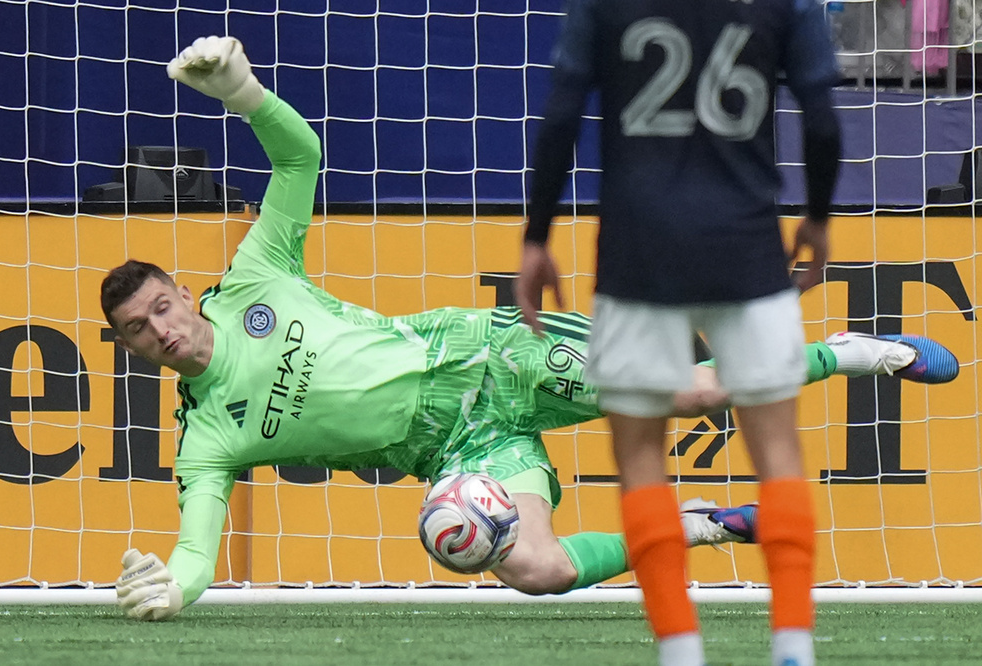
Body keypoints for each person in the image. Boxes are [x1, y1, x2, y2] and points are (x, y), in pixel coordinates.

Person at [109, 35, 958, 625]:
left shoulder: (255, 274)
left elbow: (300, 159)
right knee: (537, 572)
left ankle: (856, 352)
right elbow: (196, 553)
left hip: (489, 357)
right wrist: (173, 591)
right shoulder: (207, 440)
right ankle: (697, 523)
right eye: (141, 333)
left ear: (183, 293)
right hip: (455, 455)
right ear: (136, 352)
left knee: (695, 391)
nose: (161, 331)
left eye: (161, 307)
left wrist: (243, 95)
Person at [515, 2, 873, 665]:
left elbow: (562, 116)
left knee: (643, 461)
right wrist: (818, 221)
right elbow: (823, 121)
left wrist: (537, 237)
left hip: (636, 257)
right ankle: (793, 645)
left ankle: (681, 652)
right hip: (748, 250)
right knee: (778, 455)